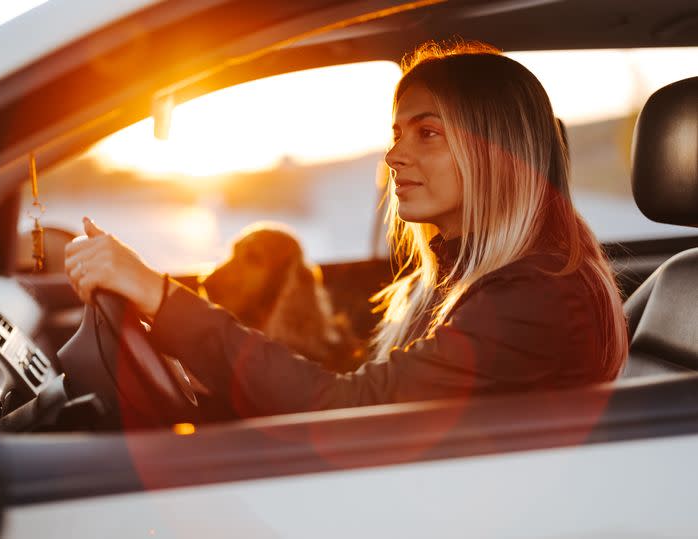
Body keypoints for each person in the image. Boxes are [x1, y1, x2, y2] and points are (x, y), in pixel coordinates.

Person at [64, 41, 628, 417]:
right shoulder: (474, 276)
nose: (393, 154)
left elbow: (351, 410)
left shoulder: (537, 298)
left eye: (426, 133)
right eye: (397, 132)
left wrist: (159, 296)